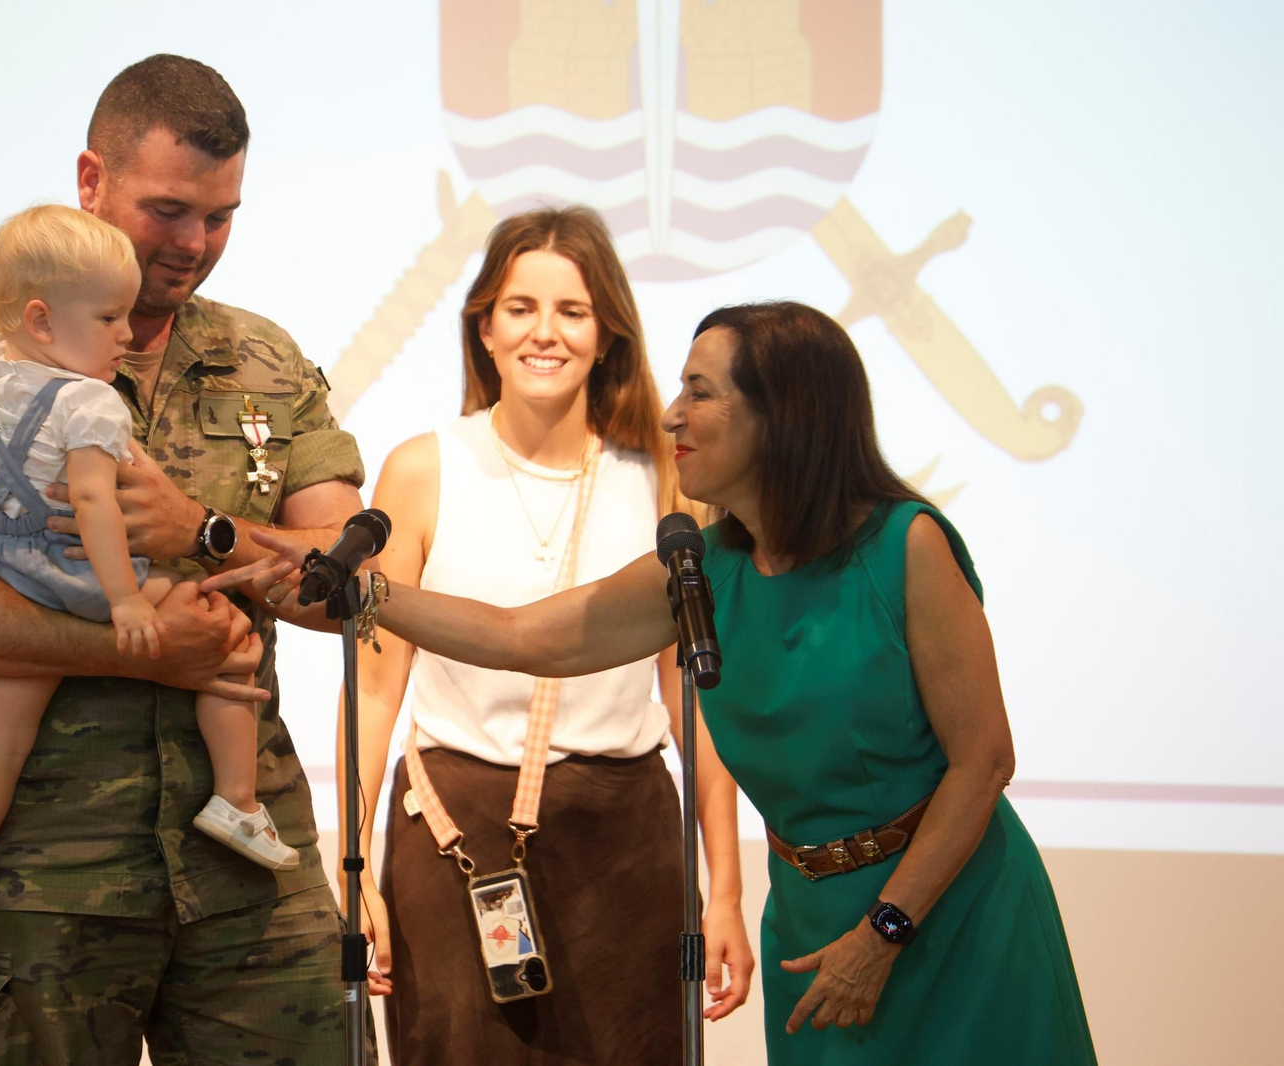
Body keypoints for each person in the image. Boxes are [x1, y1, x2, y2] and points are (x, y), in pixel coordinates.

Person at [239, 301, 1098, 1064]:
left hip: (945, 913)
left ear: (783, 417)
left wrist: (885, 931)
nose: (671, 413)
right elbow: (518, 635)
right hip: (811, 913)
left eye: (701, 391)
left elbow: (983, 763)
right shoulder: (703, 566)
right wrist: (365, 589)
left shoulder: (906, 548)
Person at [0, 55, 367, 1064]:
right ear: (90, 179)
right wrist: (139, 649)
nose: (195, 245)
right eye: (169, 209)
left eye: (221, 216)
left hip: (252, 878)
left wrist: (202, 532)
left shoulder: (265, 359)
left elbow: (348, 588)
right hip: (43, 881)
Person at [332, 207, 751, 1064]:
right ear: (484, 325)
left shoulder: (666, 480)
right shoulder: (423, 467)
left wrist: (728, 892)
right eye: (520, 308)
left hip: (624, 836)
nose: (544, 333)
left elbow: (698, 706)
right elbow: (375, 690)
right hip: (453, 835)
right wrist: (349, 874)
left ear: (608, 335)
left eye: (573, 311)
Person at [0, 206, 302, 959]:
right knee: (223, 637)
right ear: (43, 320)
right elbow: (94, 504)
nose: (123, 333)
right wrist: (123, 601)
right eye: (109, 316)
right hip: (79, 578)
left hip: (11, 582)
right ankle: (238, 801)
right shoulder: (91, 401)